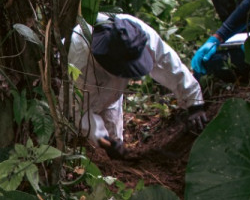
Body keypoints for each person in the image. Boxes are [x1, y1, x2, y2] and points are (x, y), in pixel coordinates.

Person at [68, 13, 208, 159]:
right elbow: (79, 109)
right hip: (86, 90)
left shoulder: (136, 32)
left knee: (115, 144)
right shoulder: (78, 55)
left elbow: (168, 62)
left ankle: (116, 156)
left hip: (113, 92)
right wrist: (102, 140)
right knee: (93, 143)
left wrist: (195, 104)